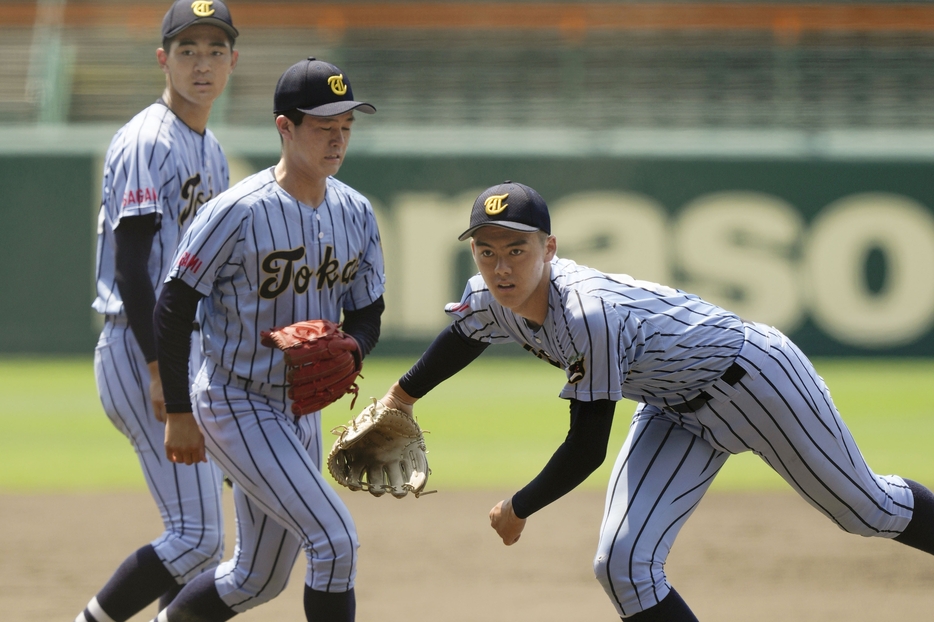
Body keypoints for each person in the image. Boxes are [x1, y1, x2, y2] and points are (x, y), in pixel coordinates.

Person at [373, 180, 934, 620]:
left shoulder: (588, 314)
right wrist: (400, 398)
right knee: (623, 565)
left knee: (870, 512)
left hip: (755, 378)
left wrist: (519, 506)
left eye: (516, 249)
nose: (500, 267)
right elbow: (462, 336)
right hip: (673, 408)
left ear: (549, 247)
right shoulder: (490, 296)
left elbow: (588, 446)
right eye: (485, 250)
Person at [151, 57, 383, 622]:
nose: (338, 137)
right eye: (324, 125)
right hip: (236, 400)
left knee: (255, 579)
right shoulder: (236, 210)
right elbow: (175, 304)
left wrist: (353, 349)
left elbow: (368, 313)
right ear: (285, 127)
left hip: (300, 408)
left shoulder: (356, 211)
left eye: (346, 125)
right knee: (335, 541)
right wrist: (179, 411)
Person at [79, 2, 239, 621]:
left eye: (214, 50)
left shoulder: (211, 148)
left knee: (200, 542)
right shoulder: (149, 139)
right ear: (163, 59)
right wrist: (160, 373)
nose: (202, 64)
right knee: (197, 536)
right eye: (187, 50)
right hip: (139, 346)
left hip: (184, 349)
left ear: (232, 60)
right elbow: (131, 269)